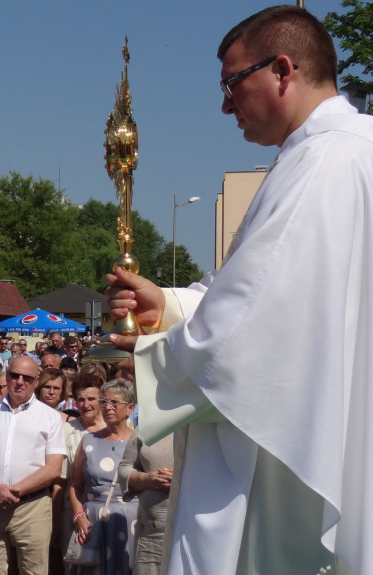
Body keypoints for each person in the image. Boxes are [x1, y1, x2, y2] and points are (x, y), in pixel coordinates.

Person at [104, 6, 373, 574]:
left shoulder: (321, 165)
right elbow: (268, 296)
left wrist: (156, 354)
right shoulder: (344, 152)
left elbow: (246, 332)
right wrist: (172, 305)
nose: (225, 105)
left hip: (282, 472)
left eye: (231, 84)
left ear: (282, 69)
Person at [0, 354, 64, 575]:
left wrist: (12, 491)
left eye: (27, 378)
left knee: (34, 571)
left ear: (36, 381)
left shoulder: (50, 417)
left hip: (32, 507)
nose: (20, 381)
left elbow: (53, 469)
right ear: (6, 376)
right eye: (14, 375)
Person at [67, 379, 137, 575]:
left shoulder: (140, 441)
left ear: (130, 408)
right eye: (104, 402)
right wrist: (79, 516)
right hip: (93, 523)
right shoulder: (88, 440)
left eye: (115, 403)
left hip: (129, 522)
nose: (108, 407)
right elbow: (76, 485)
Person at [117, 428, 173, 575]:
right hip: (152, 534)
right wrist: (148, 480)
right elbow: (125, 468)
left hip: (195, 529)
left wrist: (185, 480)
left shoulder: (209, 423)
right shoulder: (147, 426)